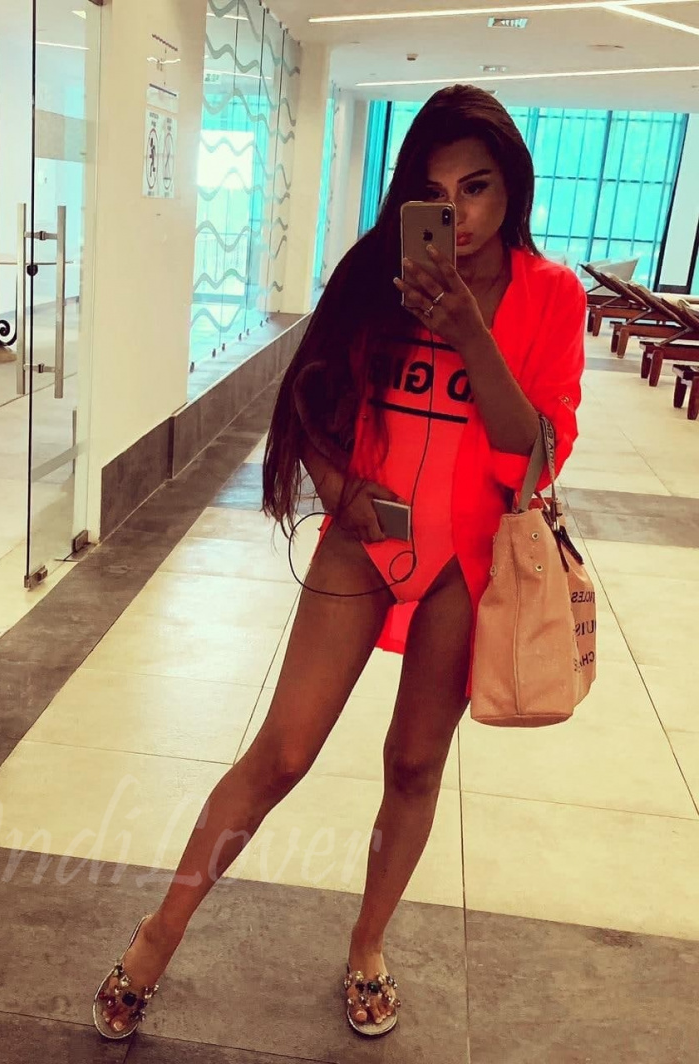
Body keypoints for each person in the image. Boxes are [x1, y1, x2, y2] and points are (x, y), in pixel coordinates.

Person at [93, 83, 586, 1040]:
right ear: (409, 196)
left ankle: (367, 946)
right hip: (366, 539)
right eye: (435, 191)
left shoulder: (551, 296)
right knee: (282, 751)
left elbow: (535, 452)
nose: (459, 214)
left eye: (477, 188)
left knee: (414, 763)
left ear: (511, 189)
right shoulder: (374, 273)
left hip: (467, 561)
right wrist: (340, 491)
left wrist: (470, 332)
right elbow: (308, 395)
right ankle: (157, 935)